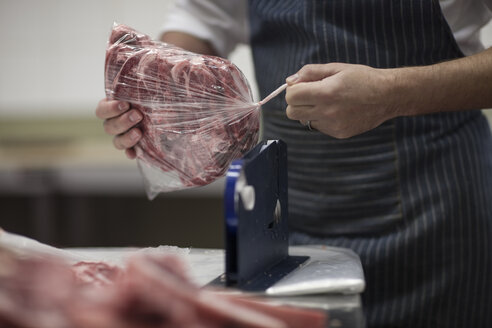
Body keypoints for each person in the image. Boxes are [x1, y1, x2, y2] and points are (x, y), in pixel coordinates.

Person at [96, 0, 492, 327]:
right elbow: (202, 18)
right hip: (288, 220)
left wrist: (393, 93)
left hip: (436, 218)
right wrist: (159, 95)